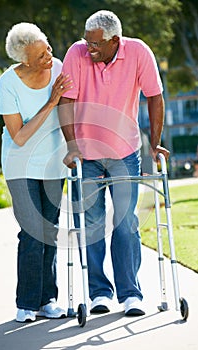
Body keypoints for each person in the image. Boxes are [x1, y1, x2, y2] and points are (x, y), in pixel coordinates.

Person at [59, 10, 170, 316]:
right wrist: (72, 146)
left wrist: (156, 141)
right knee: (92, 224)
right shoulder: (76, 54)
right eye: (86, 40)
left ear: (115, 41)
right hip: (87, 155)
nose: (88, 47)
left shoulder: (138, 52)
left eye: (94, 42)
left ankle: (131, 294)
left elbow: (155, 96)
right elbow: (66, 101)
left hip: (125, 152)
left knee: (125, 223)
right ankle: (99, 294)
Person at [0, 22, 72, 322]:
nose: (49, 57)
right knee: (32, 233)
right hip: (21, 163)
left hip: (53, 163)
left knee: (49, 232)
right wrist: (51, 101)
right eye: (40, 55)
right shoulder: (8, 82)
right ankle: (26, 303)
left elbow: (71, 107)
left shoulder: (58, 67)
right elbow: (19, 136)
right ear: (24, 60)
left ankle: (47, 299)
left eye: (48, 47)